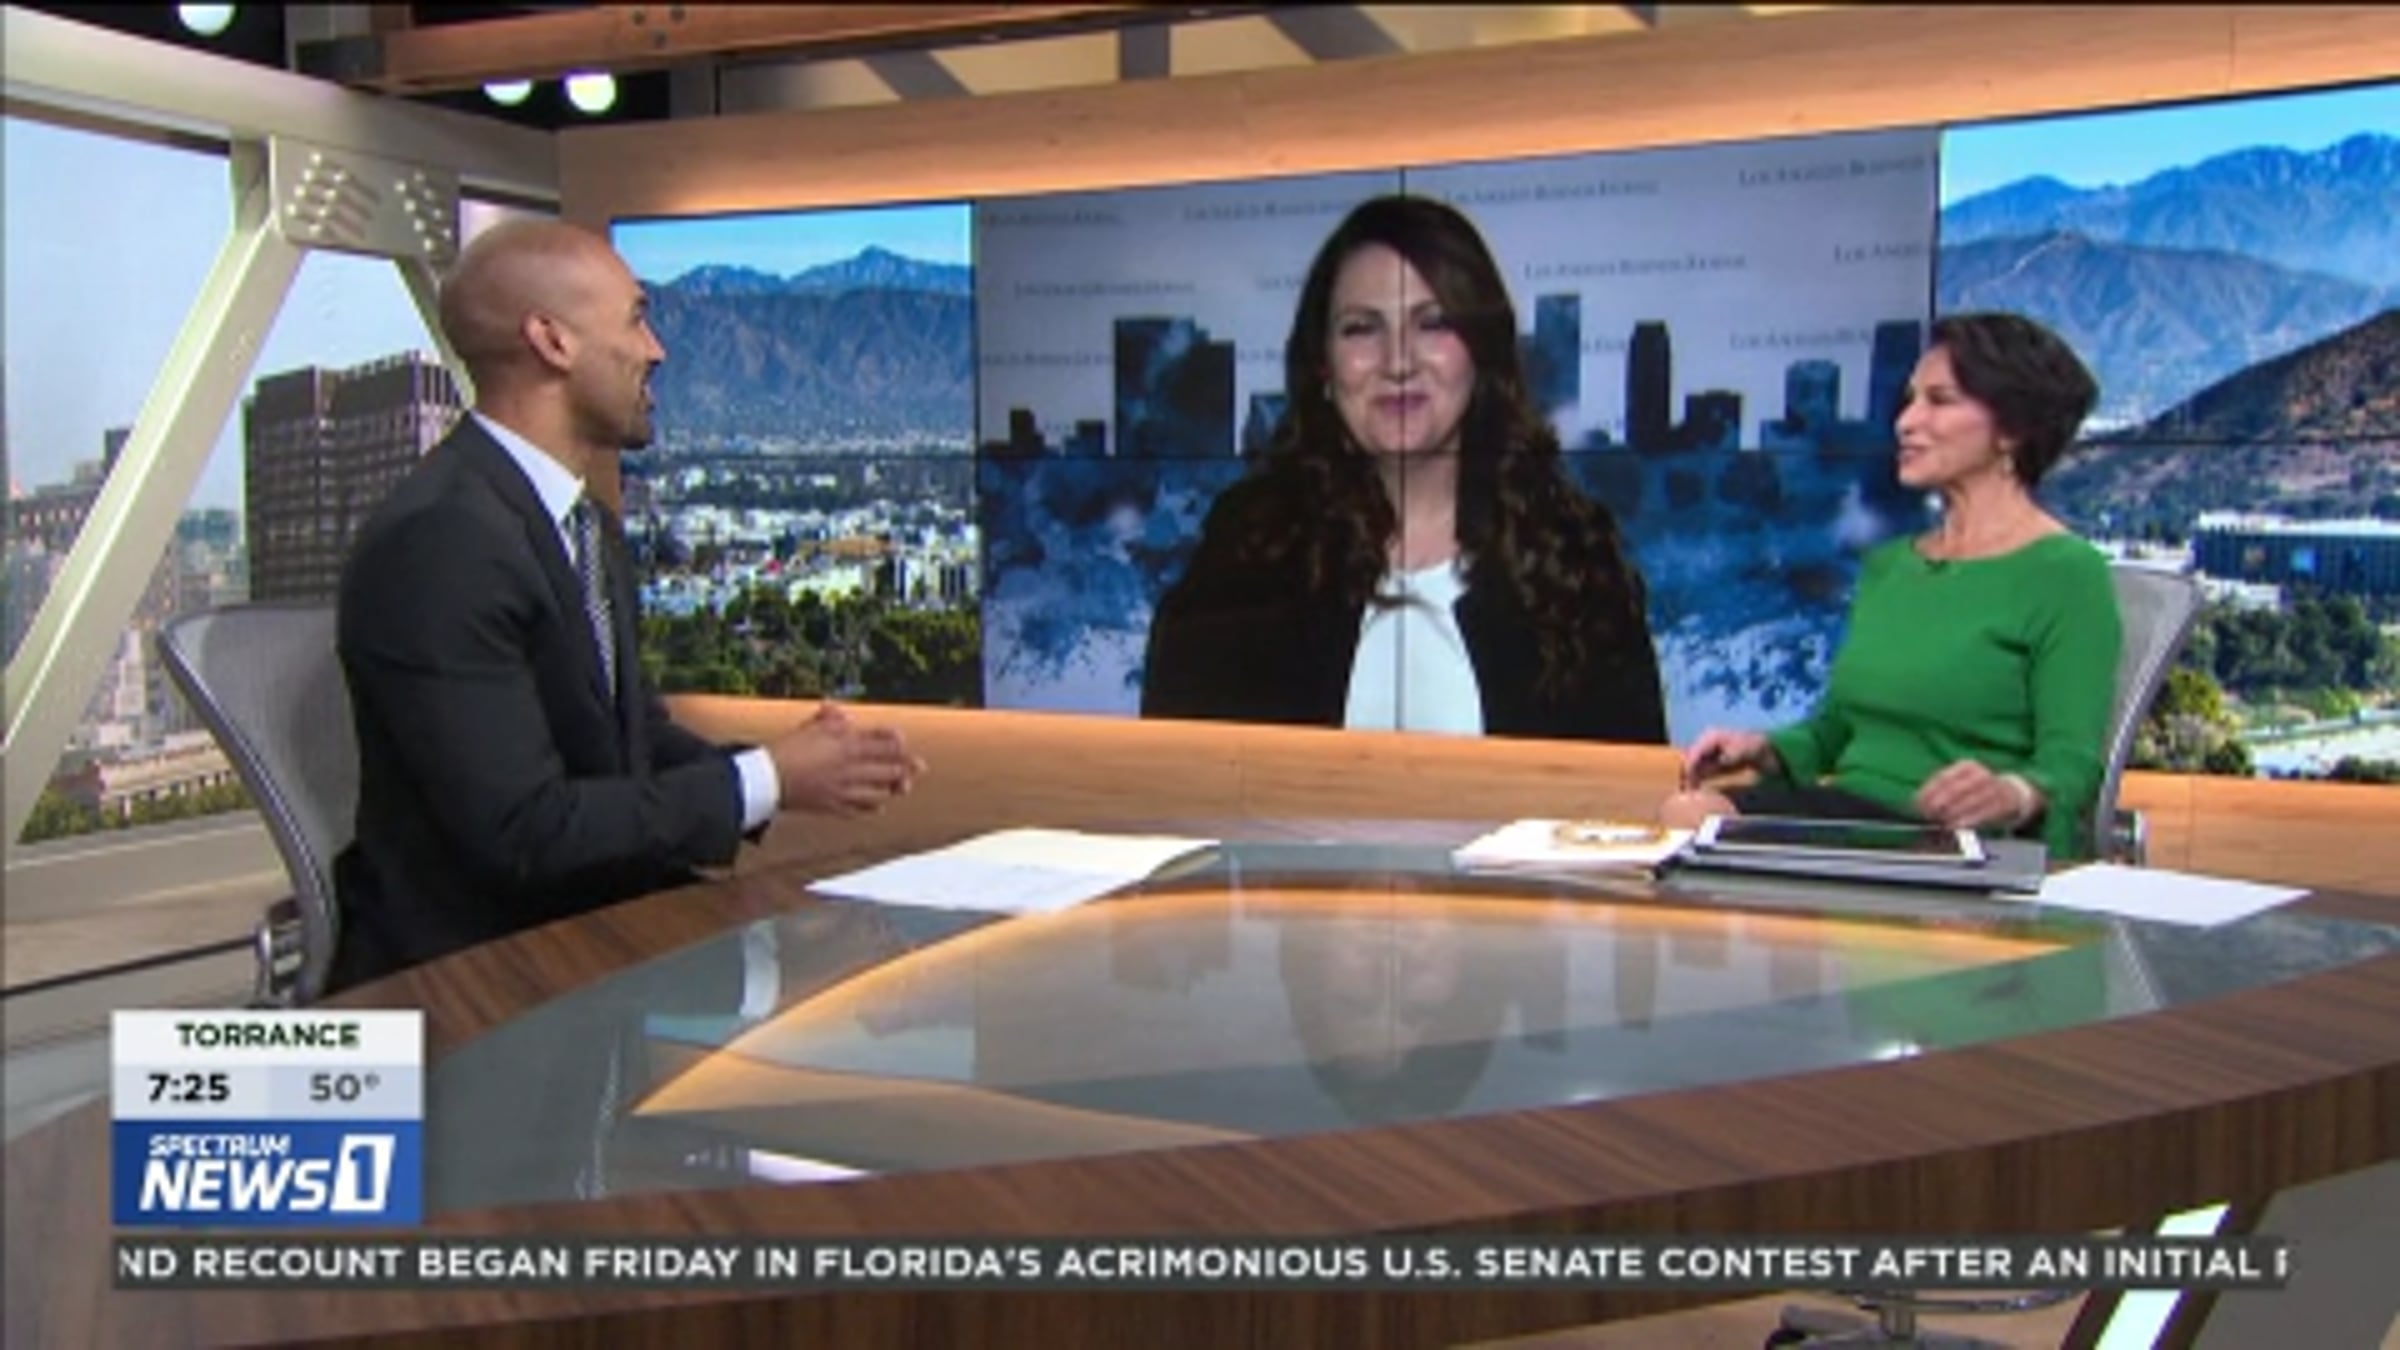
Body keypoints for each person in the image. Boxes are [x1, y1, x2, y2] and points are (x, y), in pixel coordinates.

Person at [333, 219, 926, 993]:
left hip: (586, 934)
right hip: (474, 981)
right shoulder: (443, 541)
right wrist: (771, 779)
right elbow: (524, 833)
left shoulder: (582, 528)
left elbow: (630, 742)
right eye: (636, 318)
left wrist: (792, 767)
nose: (658, 350)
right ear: (552, 341)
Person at [1140, 194, 1666, 743]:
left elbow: (1633, 782)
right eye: (1361, 328)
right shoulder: (1246, 554)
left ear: (1481, 354)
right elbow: (1172, 770)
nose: (1398, 362)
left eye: (1432, 323)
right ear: (1323, 366)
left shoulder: (1570, 562)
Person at [1665, 311, 2122, 859]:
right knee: (1688, 816)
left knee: (1700, 832)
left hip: (1962, 840)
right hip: (1856, 816)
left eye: (1939, 401)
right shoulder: (1889, 566)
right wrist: (1763, 749)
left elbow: (2072, 764)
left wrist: (2013, 793)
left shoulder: (2066, 573)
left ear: (2012, 429)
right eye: (1909, 401)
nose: (1906, 421)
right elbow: (1836, 730)